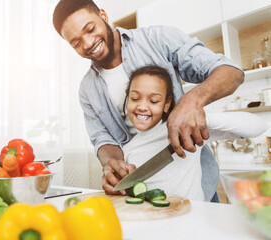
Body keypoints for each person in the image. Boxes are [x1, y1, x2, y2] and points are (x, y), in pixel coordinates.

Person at [52, 0, 245, 201]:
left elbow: (231, 72)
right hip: (141, 191)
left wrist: (191, 101)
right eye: (76, 42)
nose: (88, 43)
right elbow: (103, 139)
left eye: (90, 29)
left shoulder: (158, 39)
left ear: (103, 15)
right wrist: (113, 163)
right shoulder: (87, 89)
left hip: (194, 182)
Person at [122, 65, 266, 200]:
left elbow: (259, 126)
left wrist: (202, 120)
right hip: (154, 222)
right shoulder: (127, 149)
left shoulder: (186, 130)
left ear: (167, 104)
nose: (142, 106)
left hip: (193, 218)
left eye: (153, 101)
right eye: (135, 98)